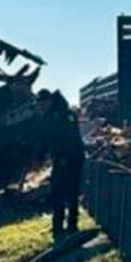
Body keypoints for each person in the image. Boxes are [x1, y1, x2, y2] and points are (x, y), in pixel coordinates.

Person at [37, 89, 85, 240]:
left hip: (71, 158)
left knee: (68, 191)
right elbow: (47, 140)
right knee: (59, 192)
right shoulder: (48, 116)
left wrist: (64, 157)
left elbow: (70, 138)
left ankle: (70, 226)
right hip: (61, 158)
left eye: (42, 103)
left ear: (49, 101)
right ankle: (59, 227)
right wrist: (39, 156)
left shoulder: (63, 115)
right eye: (39, 103)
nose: (40, 106)